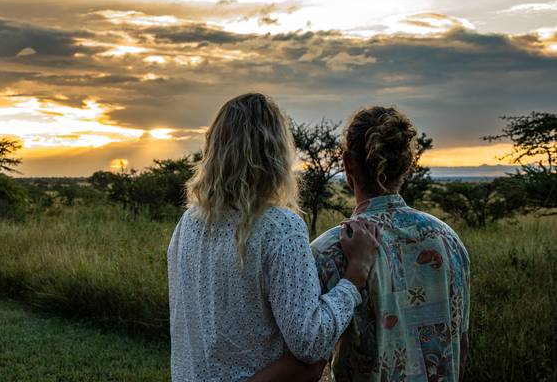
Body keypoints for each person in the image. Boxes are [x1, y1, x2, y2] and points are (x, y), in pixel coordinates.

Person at [167, 93, 382, 381]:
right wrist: (354, 277)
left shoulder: (188, 223)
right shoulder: (279, 228)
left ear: (214, 149)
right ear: (276, 152)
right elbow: (310, 342)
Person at [252, 106, 471, 382]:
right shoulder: (449, 241)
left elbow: (306, 364)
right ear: (407, 163)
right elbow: (460, 348)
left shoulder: (330, 251)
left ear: (347, 163)